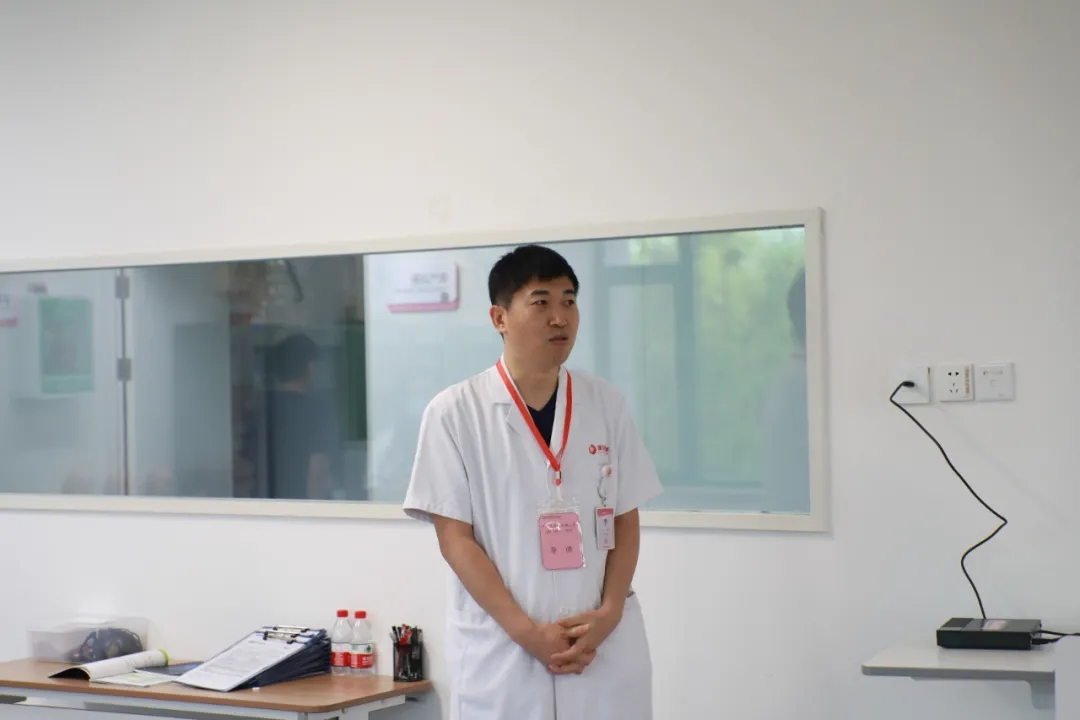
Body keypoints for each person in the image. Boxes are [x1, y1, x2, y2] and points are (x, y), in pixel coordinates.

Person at [403, 244, 663, 720]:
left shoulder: (606, 404)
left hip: (600, 647)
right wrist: (528, 633)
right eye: (541, 302)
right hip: (505, 652)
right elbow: (455, 540)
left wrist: (609, 614)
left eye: (569, 301)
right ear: (499, 318)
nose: (560, 318)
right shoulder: (454, 413)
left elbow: (626, 517)